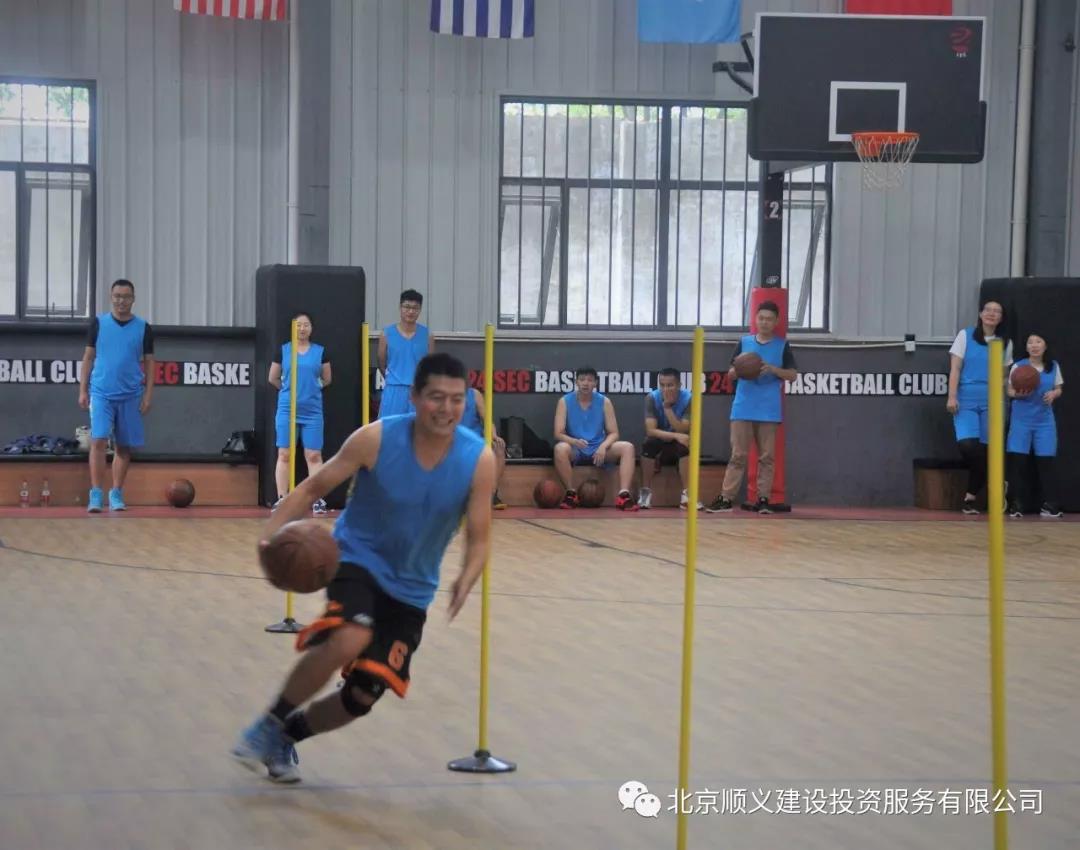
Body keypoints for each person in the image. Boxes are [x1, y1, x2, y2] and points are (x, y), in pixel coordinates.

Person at [232, 353, 495, 783]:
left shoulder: (478, 460)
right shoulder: (376, 438)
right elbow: (313, 487)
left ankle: (286, 737)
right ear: (414, 397)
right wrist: (270, 534)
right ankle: (268, 723)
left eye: (456, 399)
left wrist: (467, 577)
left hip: (412, 588)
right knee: (350, 636)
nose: (446, 409)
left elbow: (480, 536)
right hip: (357, 558)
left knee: (361, 696)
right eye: (436, 397)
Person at [706, 301, 798, 514]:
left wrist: (773, 369)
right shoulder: (744, 342)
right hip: (743, 407)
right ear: (755, 319)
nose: (764, 322)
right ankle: (726, 499)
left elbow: (793, 375)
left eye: (769, 319)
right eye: (761, 318)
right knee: (738, 455)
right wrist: (741, 370)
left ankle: (763, 499)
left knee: (767, 457)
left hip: (769, 409)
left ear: (776, 322)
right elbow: (730, 373)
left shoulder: (782, 345)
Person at [77, 279, 154, 513]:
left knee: (123, 446)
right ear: (111, 298)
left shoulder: (143, 327)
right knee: (98, 441)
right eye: (117, 296)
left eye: (126, 296)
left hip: (130, 395)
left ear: (133, 299)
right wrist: (83, 390)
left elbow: (150, 363)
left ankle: (116, 493)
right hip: (101, 393)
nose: (121, 301)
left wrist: (148, 395)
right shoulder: (98, 323)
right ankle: (95, 494)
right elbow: (88, 357)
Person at [945, 299, 1013, 514]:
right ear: (981, 314)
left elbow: (1004, 376)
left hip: (993, 400)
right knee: (968, 446)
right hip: (966, 397)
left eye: (997, 311)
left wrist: (1011, 391)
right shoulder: (965, 335)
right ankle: (996, 483)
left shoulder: (1005, 342)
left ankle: (970, 497)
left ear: (1001, 318)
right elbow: (955, 369)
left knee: (987, 449)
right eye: (988, 310)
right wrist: (952, 396)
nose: (992, 313)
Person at [269, 313, 332, 513]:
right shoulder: (283, 351)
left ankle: (317, 499)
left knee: (313, 455)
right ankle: (282, 498)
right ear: (293, 328)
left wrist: (310, 390)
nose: (302, 329)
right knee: (284, 453)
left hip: (312, 410)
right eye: (298, 325)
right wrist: (289, 392)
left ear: (311, 328)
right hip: (287, 410)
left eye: (306, 325)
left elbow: (327, 379)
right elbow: (273, 378)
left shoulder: (320, 351)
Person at [552, 367, 638, 510]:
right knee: (560, 448)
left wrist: (603, 446)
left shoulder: (605, 402)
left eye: (590, 380)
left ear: (595, 383)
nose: (585, 383)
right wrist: (574, 441)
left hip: (599, 448)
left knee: (628, 447)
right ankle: (571, 493)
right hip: (576, 447)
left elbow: (614, 433)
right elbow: (558, 433)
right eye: (582, 380)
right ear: (576, 382)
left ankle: (624, 495)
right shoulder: (564, 401)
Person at [1006, 333, 1063, 518]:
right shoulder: (1019, 366)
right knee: (1019, 462)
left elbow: (1058, 388)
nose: (1034, 345)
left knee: (1046, 462)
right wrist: (1018, 394)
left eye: (1038, 341)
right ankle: (1016, 504)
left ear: (1045, 346)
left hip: (1044, 421)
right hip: (1021, 420)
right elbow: (1009, 390)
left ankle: (1050, 505)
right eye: (1030, 342)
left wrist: (1054, 394)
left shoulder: (1053, 366)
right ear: (1026, 347)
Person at [638, 368, 700, 510]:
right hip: (660, 439)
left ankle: (687, 496)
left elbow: (682, 429)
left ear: (679, 385)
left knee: (686, 445)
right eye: (662, 385)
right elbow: (651, 430)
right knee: (648, 444)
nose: (665, 389)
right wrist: (675, 435)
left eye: (670, 385)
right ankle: (645, 493)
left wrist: (667, 408)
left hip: (678, 442)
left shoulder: (689, 399)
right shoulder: (652, 398)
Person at [378, 290, 433, 418]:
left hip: (418, 391)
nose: (411, 311)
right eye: (407, 307)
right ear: (400, 307)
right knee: (390, 427)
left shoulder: (428, 335)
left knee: (418, 428)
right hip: (394, 390)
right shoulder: (386, 334)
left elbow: (431, 365)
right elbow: (381, 362)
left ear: (420, 310)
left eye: (415, 308)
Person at [460, 385, 508, 509]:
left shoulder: (474, 394)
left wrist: (494, 436)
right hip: (454, 440)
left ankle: (491, 494)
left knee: (498, 447)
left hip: (475, 441)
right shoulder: (443, 395)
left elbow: (487, 419)